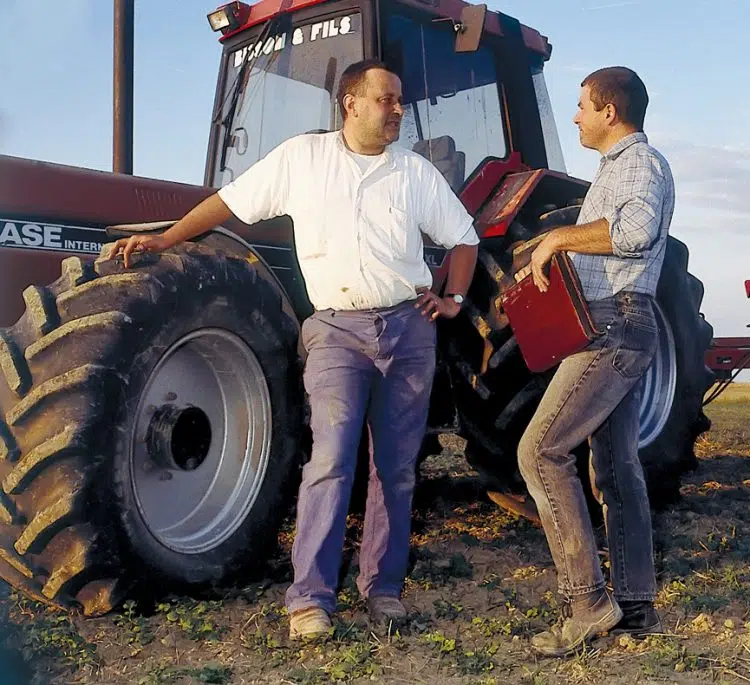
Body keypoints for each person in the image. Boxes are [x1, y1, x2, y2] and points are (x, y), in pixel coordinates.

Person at [110, 59, 480, 640]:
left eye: (400, 101)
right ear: (351, 103)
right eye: (387, 100)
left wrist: (454, 295)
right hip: (335, 331)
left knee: (396, 469)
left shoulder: (414, 173)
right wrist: (166, 237)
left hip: (408, 331)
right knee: (331, 459)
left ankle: (383, 590)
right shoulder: (301, 159)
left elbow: (464, 237)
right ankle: (310, 598)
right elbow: (229, 203)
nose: (397, 111)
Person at [516, 66, 674, 657]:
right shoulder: (616, 169)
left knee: (539, 450)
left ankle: (586, 602)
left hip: (614, 324)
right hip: (617, 321)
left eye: (583, 106)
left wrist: (558, 239)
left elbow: (633, 233)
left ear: (611, 112)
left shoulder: (639, 164)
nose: (576, 116)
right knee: (613, 466)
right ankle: (633, 603)